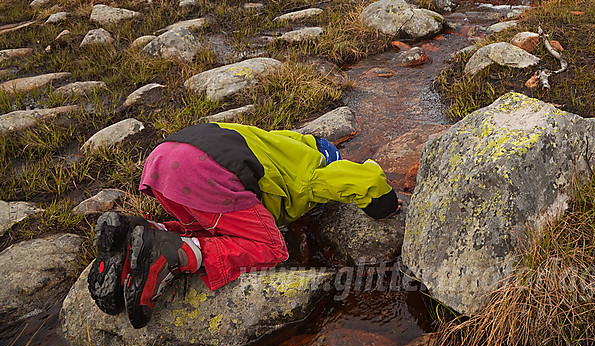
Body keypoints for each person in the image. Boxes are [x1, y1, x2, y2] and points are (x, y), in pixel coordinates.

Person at [87, 121, 401, 329]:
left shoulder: (282, 144)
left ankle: (135, 237)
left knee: (215, 229)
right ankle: (176, 255)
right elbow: (365, 178)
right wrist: (385, 204)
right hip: (207, 172)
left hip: (164, 161)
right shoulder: (313, 170)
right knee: (269, 246)